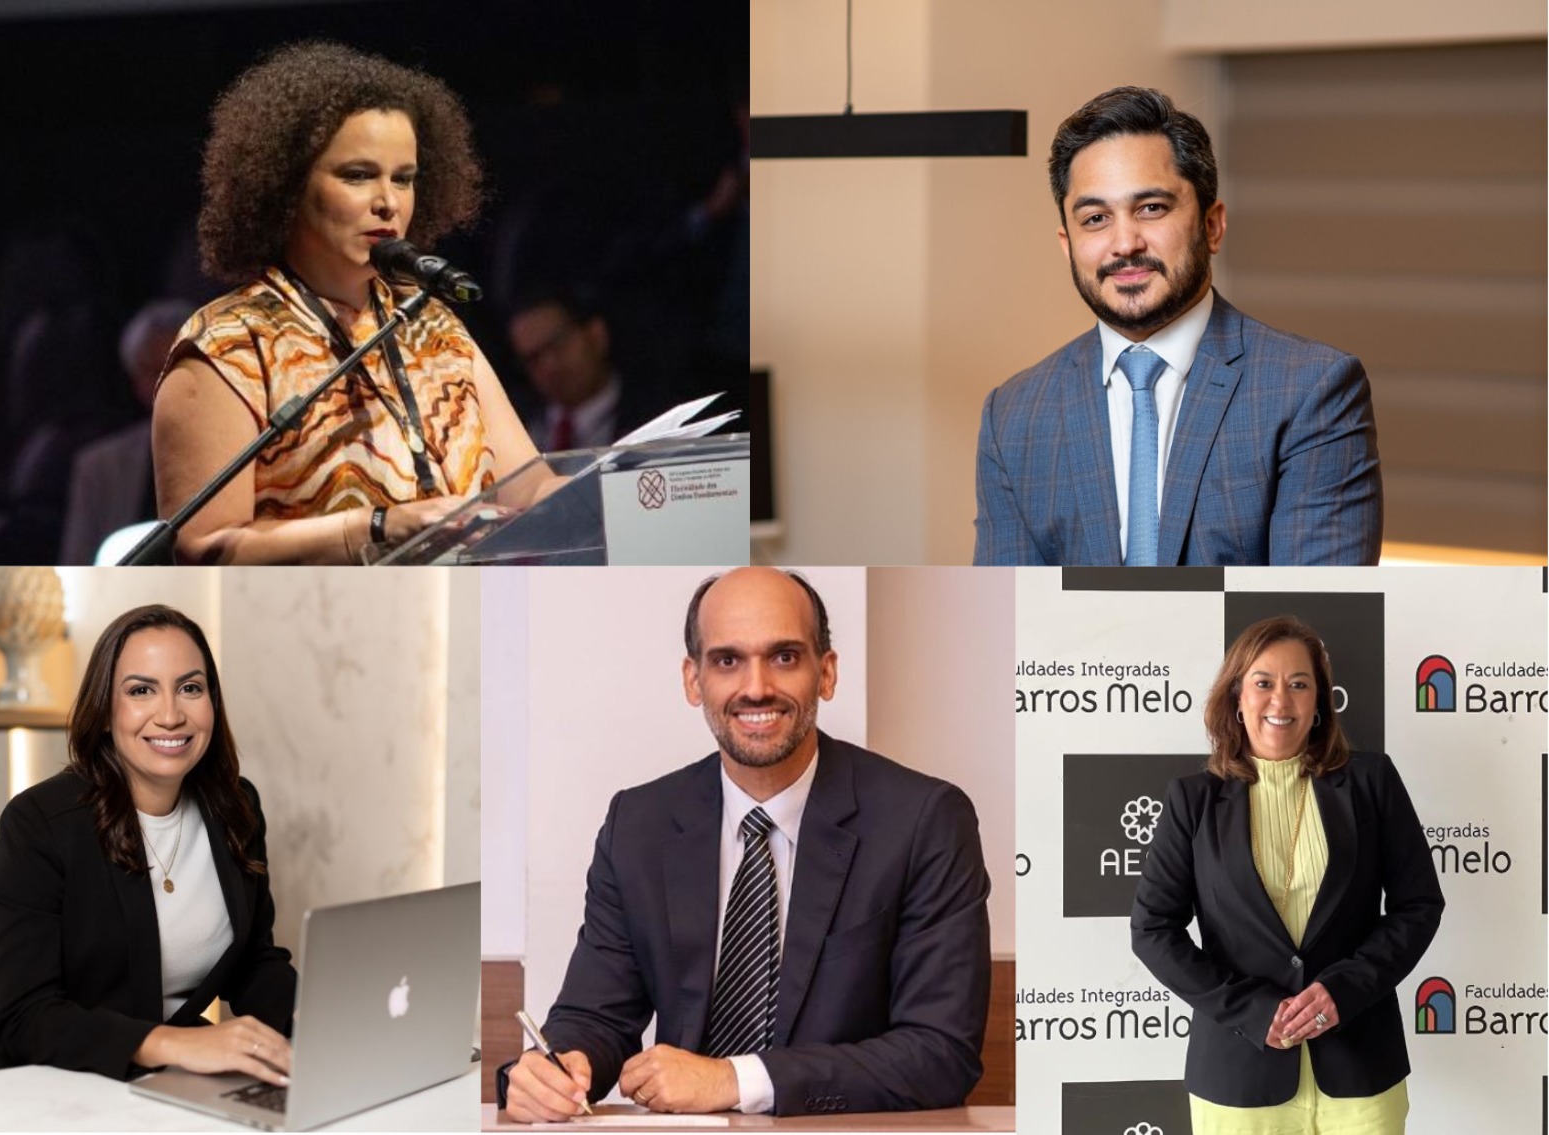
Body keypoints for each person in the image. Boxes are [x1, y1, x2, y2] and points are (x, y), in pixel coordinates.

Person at [501, 567, 991, 1119]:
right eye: (727, 660)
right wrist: (556, 1068)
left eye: (784, 656)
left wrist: (733, 1080)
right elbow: (597, 1016)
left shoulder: (923, 820)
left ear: (826, 673)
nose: (756, 687)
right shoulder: (637, 824)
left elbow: (940, 1052)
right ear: (694, 680)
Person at [154, 42, 551, 564]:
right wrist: (377, 526)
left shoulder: (433, 324)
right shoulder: (228, 347)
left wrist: (619, 495)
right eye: (358, 175)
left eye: (404, 179)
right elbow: (204, 548)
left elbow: (530, 488)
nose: (388, 201)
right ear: (288, 185)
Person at [974, 87, 1382, 566]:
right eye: (1095, 218)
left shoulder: (1312, 389)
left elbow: (1314, 621)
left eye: (1152, 208)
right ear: (1067, 244)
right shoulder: (1014, 415)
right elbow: (1015, 624)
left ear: (1212, 226)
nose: (1124, 243)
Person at [0, 605, 295, 1085]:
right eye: (141, 691)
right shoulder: (39, 824)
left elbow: (253, 963)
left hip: (156, 1082)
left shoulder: (235, 808)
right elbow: (25, 1017)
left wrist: (324, 1028)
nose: (171, 715)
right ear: (106, 713)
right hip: (31, 1088)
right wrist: (176, 1043)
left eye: (190, 688)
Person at [1131, 615, 1443, 1133]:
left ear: (1320, 703)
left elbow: (1418, 906)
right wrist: (1254, 1012)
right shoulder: (1192, 800)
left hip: (1361, 1070)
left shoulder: (1372, 781)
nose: (1281, 700)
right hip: (1237, 1077)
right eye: (1263, 683)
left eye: (1300, 684)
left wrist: (1344, 990)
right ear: (1236, 698)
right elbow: (1153, 930)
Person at [61, 298, 195, 564]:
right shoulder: (99, 466)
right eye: (153, 370)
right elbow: (77, 567)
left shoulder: (250, 452)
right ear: (136, 381)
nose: (166, 381)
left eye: (178, 365)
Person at [507, 291, 664, 452]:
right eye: (533, 358)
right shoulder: (513, 428)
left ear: (596, 335)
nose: (549, 366)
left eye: (558, 344)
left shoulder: (660, 418)